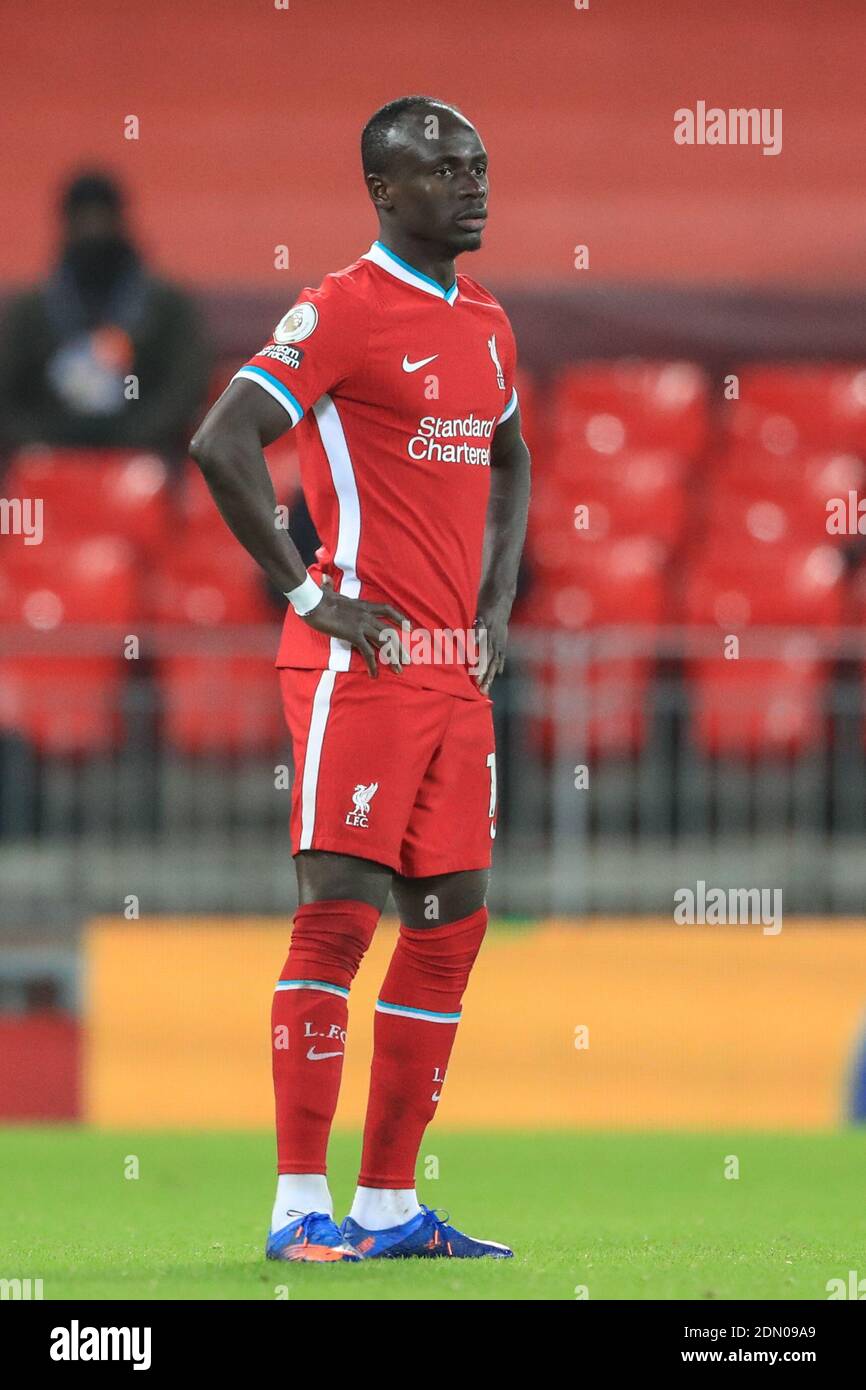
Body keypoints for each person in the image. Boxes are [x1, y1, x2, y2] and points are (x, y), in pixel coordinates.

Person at [190, 95, 531, 1262]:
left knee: (448, 931)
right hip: (360, 662)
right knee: (334, 924)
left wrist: (494, 600)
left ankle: (387, 1204)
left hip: (452, 675)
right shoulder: (339, 308)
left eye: (478, 163)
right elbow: (221, 439)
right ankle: (296, 1207)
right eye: (443, 167)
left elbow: (512, 453)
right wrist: (304, 593)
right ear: (385, 192)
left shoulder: (486, 321)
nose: (472, 183)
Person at [0, 171, 209, 460]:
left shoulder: (166, 307)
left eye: (102, 217)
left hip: (145, 459)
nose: (93, 229)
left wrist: (138, 434)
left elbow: (187, 384)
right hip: (46, 461)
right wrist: (44, 439)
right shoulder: (29, 313)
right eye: (83, 217)